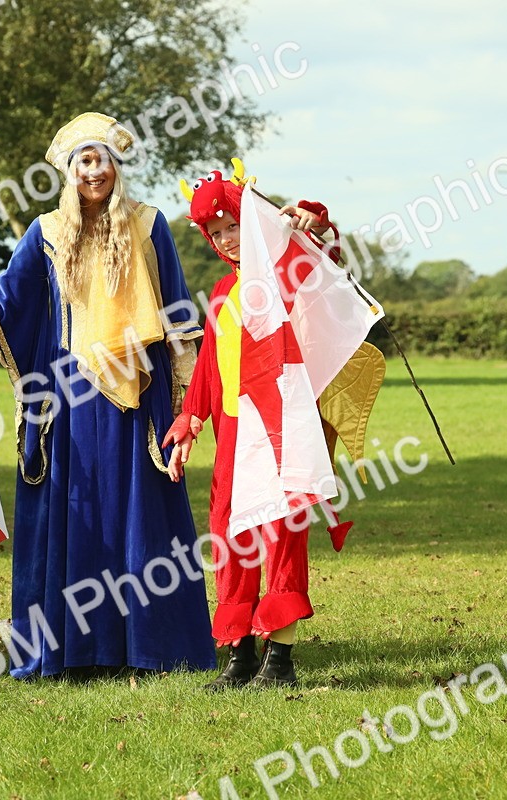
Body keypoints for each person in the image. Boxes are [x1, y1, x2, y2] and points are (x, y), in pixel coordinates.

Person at [0, 112, 215, 679]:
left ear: (117, 166)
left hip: (139, 401)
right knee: (78, 515)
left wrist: (188, 404)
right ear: (69, 170)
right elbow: (2, 301)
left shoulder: (149, 225)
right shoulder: (46, 232)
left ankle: (148, 649)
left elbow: (179, 315)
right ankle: (74, 651)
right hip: (68, 402)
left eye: (103, 159)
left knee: (139, 519)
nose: (94, 171)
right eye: (84, 161)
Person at [162, 163, 367, 690]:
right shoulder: (222, 293)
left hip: (281, 427)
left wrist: (313, 220)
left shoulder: (285, 275)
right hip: (233, 434)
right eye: (216, 232)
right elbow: (209, 368)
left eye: (234, 224)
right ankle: (241, 656)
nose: (228, 238)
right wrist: (189, 419)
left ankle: (280, 659)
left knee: (281, 532)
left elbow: (326, 263)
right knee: (232, 533)